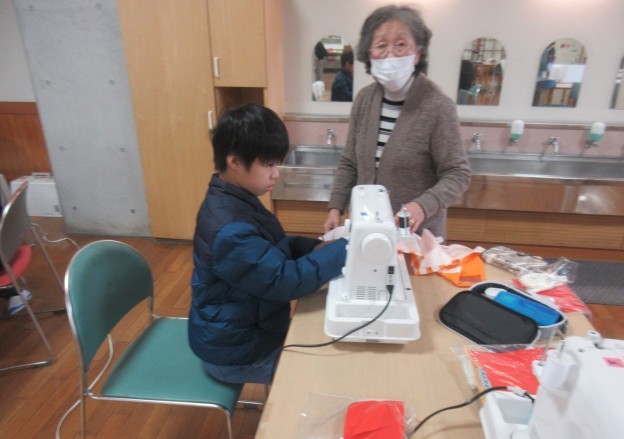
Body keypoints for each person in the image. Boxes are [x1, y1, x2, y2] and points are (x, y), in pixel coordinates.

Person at [189, 103, 348, 385]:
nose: (276, 173)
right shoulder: (229, 230)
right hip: (237, 354)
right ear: (235, 161)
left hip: (245, 332)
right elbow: (285, 280)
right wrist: (347, 247)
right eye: (268, 164)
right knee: (324, 371)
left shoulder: (233, 199)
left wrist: (314, 247)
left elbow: (269, 250)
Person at [324, 5, 471, 240]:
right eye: (381, 45)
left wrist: (422, 206)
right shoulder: (364, 99)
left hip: (416, 236)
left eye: (401, 44)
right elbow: (350, 162)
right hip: (366, 229)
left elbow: (457, 173)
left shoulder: (437, 106)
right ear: (369, 53)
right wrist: (335, 207)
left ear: (418, 53)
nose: (390, 54)